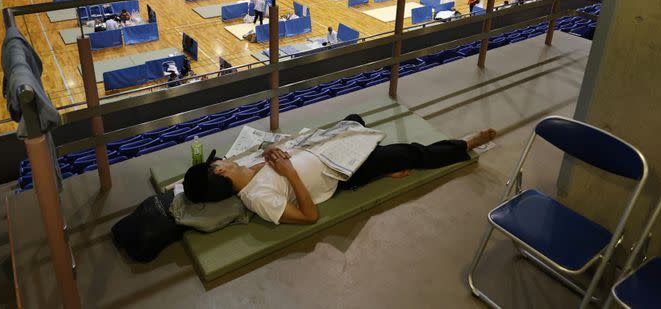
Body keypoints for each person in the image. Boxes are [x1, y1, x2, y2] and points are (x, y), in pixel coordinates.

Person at [182, 114, 496, 225]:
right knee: (410, 153)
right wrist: (290, 173)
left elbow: (273, 150)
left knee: (355, 119)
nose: (222, 158)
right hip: (341, 172)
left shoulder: (247, 168)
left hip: (323, 149)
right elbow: (309, 217)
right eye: (218, 162)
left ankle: (380, 164)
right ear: (221, 173)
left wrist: (269, 151)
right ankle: (465, 145)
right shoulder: (258, 198)